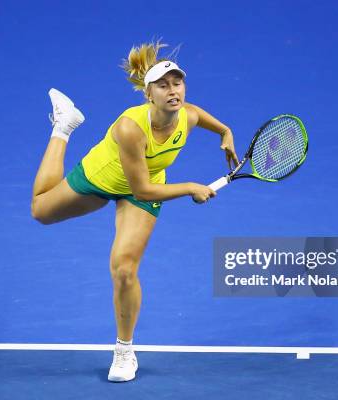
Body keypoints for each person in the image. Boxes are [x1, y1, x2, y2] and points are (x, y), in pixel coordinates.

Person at [31, 40, 239, 382]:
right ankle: (63, 126)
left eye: (177, 83)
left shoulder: (186, 114)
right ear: (148, 95)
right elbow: (140, 187)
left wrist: (226, 132)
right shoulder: (130, 127)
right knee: (40, 209)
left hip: (144, 189)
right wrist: (190, 187)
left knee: (124, 268)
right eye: (163, 85)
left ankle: (124, 350)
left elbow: (201, 118)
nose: (173, 91)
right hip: (103, 178)